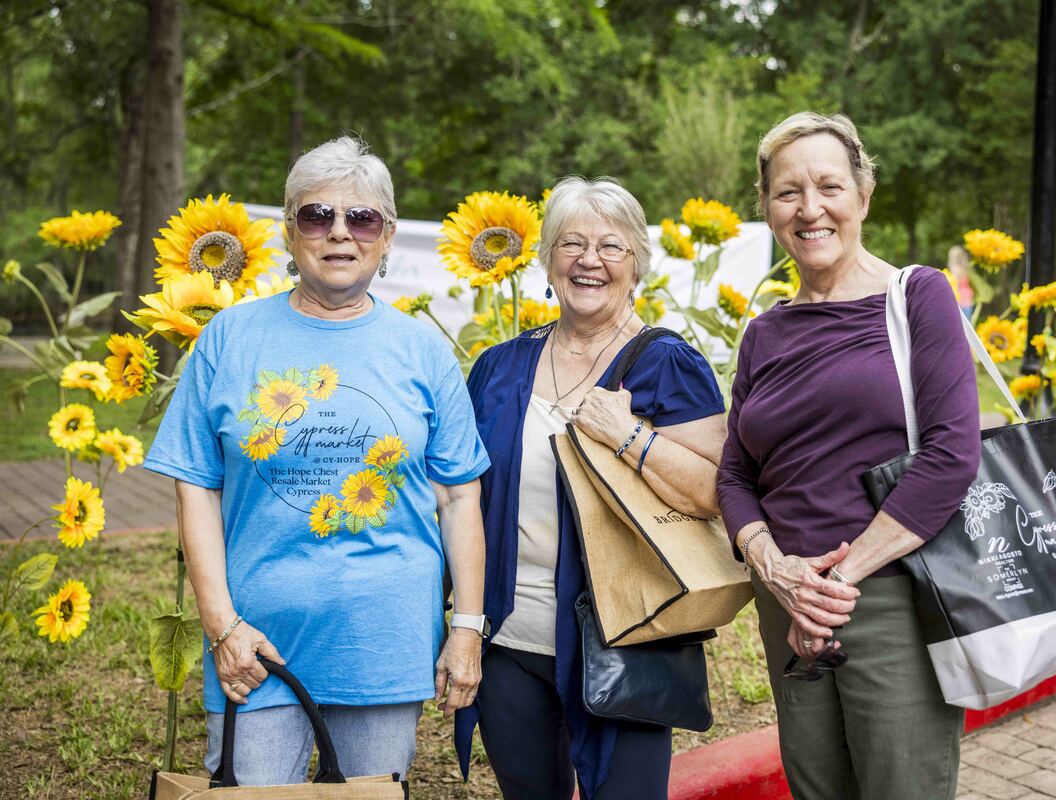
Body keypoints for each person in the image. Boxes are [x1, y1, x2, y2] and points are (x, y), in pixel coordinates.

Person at [143, 136, 491, 786]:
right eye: (316, 215)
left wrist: (466, 628)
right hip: (255, 644)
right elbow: (196, 488)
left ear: (387, 237)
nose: (339, 232)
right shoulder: (228, 339)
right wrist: (221, 627)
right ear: (289, 230)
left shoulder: (423, 352)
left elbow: (459, 497)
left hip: (382, 639)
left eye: (361, 218)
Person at [717, 112, 981, 800]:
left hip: (890, 596)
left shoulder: (917, 296)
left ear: (863, 195)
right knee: (817, 789)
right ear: (768, 208)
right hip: (787, 603)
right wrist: (775, 570)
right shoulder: (764, 333)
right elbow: (735, 473)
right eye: (788, 192)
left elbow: (951, 455)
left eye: (829, 187)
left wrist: (836, 581)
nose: (810, 209)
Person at [458, 176, 727, 800]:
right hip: (508, 641)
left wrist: (630, 436)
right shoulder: (499, 366)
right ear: (548, 259)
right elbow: (461, 495)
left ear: (636, 266)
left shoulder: (667, 362)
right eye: (572, 243)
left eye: (611, 246)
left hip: (623, 639)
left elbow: (713, 493)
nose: (589, 260)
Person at [947, 243, 975, 318]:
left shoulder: (956, 269)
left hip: (959, 300)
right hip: (968, 300)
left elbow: (954, 284)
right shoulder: (967, 268)